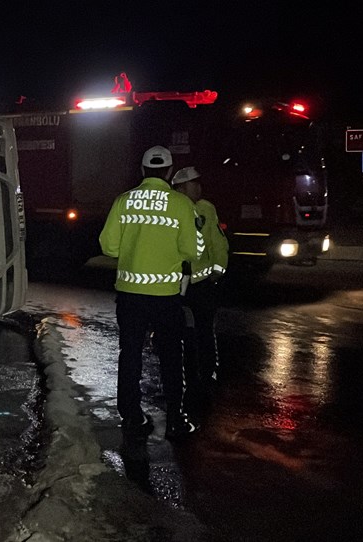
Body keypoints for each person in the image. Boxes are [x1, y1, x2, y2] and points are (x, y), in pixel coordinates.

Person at [98, 145, 204, 441]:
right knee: (171, 356)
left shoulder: (124, 201)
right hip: (166, 297)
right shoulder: (182, 204)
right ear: (170, 172)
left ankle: (132, 415)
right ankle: (175, 418)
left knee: (129, 354)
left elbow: (108, 246)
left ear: (143, 171)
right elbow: (193, 251)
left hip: (130, 296)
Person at [172, 166, 229, 416]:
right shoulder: (172, 208)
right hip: (177, 286)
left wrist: (219, 269)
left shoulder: (206, 208)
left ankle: (207, 371)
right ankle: (185, 374)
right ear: (181, 188)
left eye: (198, 182)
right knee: (180, 332)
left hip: (202, 285)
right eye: (193, 184)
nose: (198, 187)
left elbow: (217, 242)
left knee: (205, 329)